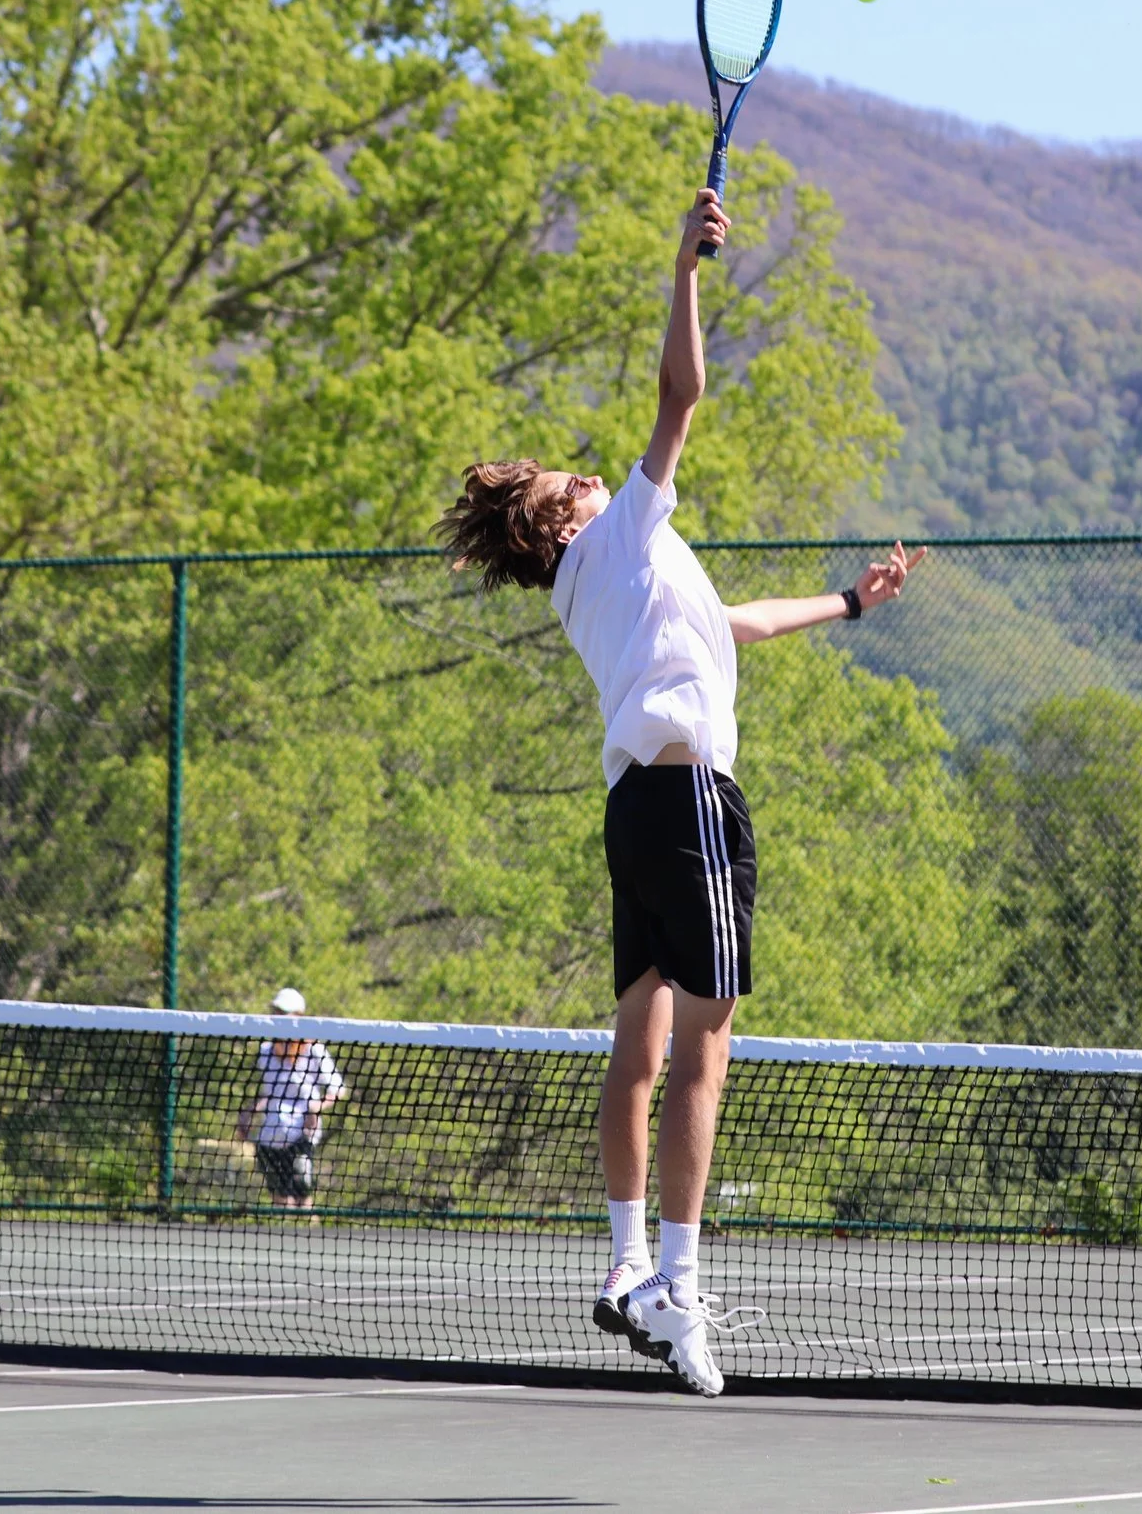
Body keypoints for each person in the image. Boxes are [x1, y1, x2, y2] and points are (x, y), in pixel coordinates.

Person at [435, 187, 926, 1396]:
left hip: (632, 815)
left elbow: (734, 622)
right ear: (557, 522)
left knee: (640, 1049)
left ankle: (621, 1266)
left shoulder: (609, 579)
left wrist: (851, 603)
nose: (584, 469)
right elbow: (681, 397)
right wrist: (686, 270)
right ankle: (677, 1278)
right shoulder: (621, 532)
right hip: (693, 802)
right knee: (705, 1052)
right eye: (563, 477)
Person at [235, 988, 346, 1213]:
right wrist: (249, 1112)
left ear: (298, 1016)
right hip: (271, 1133)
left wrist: (316, 1108)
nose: (278, 1017)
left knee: (302, 1189)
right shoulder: (266, 1051)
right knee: (280, 1196)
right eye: (276, 1011)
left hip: (301, 1134)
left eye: (283, 1012)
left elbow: (338, 1089)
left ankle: (309, 1234)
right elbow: (271, 1092)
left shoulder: (315, 1051)